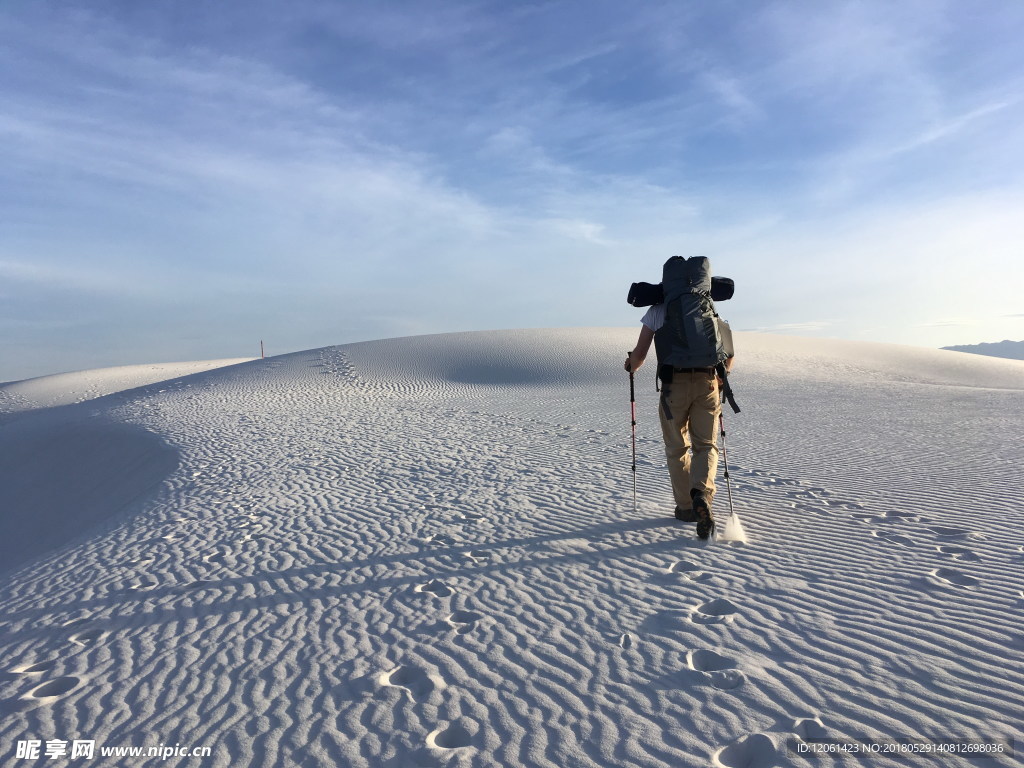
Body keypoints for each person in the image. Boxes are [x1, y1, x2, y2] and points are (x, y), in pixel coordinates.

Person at [624, 302, 734, 539]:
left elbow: (640, 356)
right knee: (706, 445)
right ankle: (702, 494)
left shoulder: (656, 312)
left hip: (674, 387)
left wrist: (630, 365)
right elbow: (729, 355)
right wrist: (721, 381)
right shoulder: (708, 308)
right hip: (708, 383)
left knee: (676, 447)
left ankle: (686, 508)